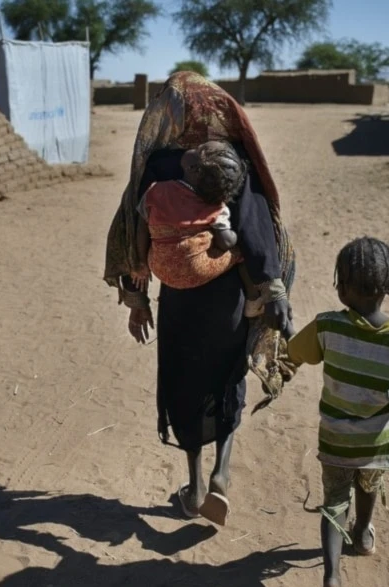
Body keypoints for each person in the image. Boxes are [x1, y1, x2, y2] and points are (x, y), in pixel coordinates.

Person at [103, 72, 296, 527]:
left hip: (181, 303)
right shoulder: (234, 161)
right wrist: (272, 290)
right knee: (227, 379)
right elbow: (259, 228)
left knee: (185, 382)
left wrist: (137, 301)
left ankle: (194, 488)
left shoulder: (162, 165)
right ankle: (222, 475)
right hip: (229, 299)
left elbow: (133, 237)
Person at [286, 237, 389, 587]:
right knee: (368, 485)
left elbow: (296, 352)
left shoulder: (328, 327)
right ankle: (364, 532)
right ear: (388, 285)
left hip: (335, 437)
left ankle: (333, 577)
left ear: (343, 288)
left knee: (334, 501)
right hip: (374, 439)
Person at [130, 140, 246, 292]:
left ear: (193, 169)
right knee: (240, 253)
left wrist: (141, 262)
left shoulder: (156, 190)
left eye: (198, 149)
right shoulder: (215, 207)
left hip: (158, 266)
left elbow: (141, 227)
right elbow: (225, 243)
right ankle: (254, 296)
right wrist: (233, 239)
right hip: (195, 271)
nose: (193, 146)